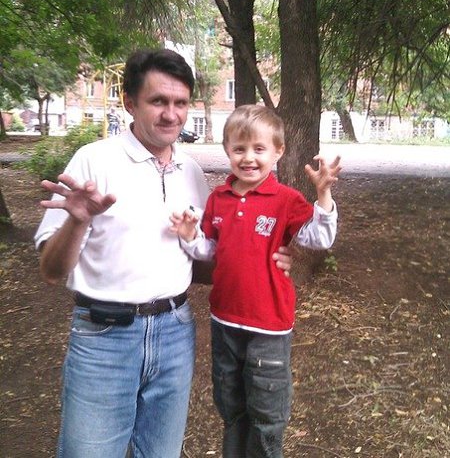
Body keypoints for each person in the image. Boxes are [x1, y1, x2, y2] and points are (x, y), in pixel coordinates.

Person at [34, 49, 294, 458]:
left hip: (175, 332)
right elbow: (51, 270)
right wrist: (78, 221)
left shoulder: (191, 172)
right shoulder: (93, 161)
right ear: (129, 102)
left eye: (180, 102)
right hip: (104, 338)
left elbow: (203, 259)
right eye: (158, 101)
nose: (171, 114)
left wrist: (265, 258)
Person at [170, 104, 341, 458]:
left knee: (266, 412)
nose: (248, 158)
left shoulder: (286, 200)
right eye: (239, 148)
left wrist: (323, 196)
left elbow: (319, 239)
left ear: (278, 151)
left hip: (268, 325)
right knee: (231, 406)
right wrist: (189, 236)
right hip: (224, 321)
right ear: (227, 150)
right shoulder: (219, 199)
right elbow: (210, 249)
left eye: (259, 149)